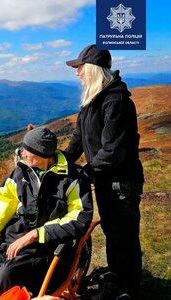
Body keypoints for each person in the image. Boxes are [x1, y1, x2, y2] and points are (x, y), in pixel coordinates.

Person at [0, 126, 93, 300]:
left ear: (42, 153)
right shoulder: (20, 173)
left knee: (7, 274)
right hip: (13, 243)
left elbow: (79, 219)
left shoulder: (74, 178)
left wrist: (35, 235)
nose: (23, 154)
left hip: (47, 249)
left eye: (27, 150)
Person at [65, 44, 144, 299]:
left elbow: (113, 150)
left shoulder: (116, 100)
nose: (77, 73)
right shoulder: (92, 99)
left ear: (93, 69)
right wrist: (61, 162)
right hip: (104, 179)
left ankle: (129, 289)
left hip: (121, 181)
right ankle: (117, 277)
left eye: (80, 68)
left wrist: (86, 172)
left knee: (125, 235)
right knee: (113, 230)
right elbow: (79, 138)